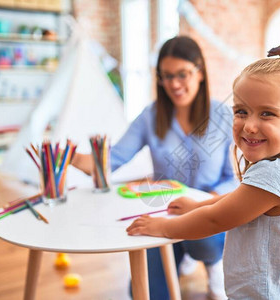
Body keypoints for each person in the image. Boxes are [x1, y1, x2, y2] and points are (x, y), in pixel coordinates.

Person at [126, 45, 280, 299]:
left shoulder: (275, 174)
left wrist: (163, 227)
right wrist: (197, 205)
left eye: (267, 114)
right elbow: (241, 200)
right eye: (241, 112)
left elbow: (214, 220)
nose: (249, 125)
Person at [71, 36, 237, 299]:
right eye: (166, 76)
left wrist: (205, 203)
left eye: (182, 74)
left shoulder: (223, 116)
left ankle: (211, 263)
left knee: (205, 240)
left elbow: (234, 178)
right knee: (143, 291)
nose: (174, 84)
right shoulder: (151, 116)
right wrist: (75, 159)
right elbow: (112, 160)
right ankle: (183, 254)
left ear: (200, 73)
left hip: (210, 212)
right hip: (167, 212)